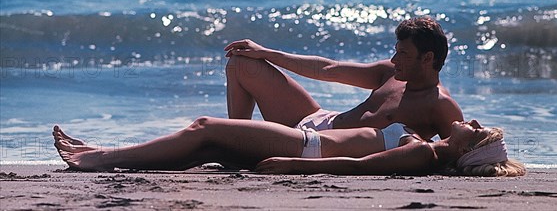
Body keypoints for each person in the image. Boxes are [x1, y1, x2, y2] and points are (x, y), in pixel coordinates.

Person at [224, 16, 463, 140]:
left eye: (403, 54)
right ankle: (235, 137)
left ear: (427, 58)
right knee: (241, 63)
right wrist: (267, 53)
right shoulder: (390, 73)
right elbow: (329, 69)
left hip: (315, 144)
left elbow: (459, 150)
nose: (393, 59)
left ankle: (235, 144)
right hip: (316, 119)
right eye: (395, 50)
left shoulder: (440, 105)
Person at [53, 118, 525, 177]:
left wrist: (292, 166)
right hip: (308, 142)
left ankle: (98, 158)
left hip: (307, 148)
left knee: (202, 129)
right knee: (203, 149)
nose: (474, 121)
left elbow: (357, 167)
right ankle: (101, 153)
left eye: (477, 131)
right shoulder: (429, 146)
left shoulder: (426, 154)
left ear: (467, 151)